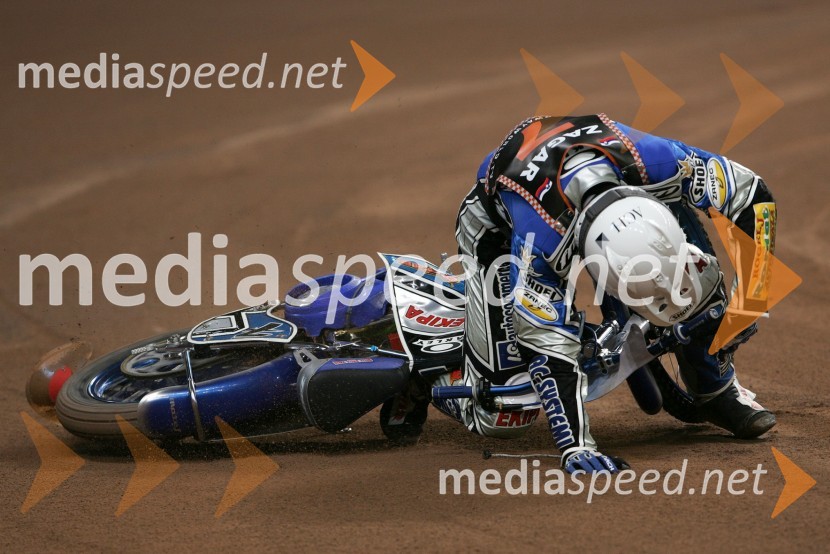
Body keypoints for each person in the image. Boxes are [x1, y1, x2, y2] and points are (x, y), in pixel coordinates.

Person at [430, 113, 777, 474]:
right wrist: (575, 445)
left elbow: (753, 195)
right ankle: (438, 341)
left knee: (693, 278)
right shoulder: (541, 242)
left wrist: (751, 300)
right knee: (500, 416)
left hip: (616, 188)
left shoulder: (659, 163)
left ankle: (713, 387)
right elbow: (546, 344)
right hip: (495, 229)